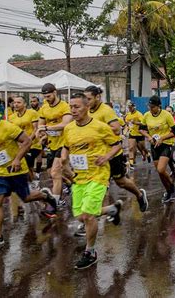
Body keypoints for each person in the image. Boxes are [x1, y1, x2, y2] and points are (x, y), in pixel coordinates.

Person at [0, 103, 57, 248]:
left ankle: (45, 196)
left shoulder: (8, 127)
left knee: (26, 198)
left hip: (16, 170)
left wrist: (18, 159)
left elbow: (27, 141)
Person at [61, 93, 124, 269]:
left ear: (87, 106)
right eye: (71, 107)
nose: (73, 110)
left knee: (88, 215)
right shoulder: (69, 128)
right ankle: (112, 209)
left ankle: (90, 251)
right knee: (81, 216)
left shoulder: (100, 127)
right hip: (79, 177)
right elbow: (66, 147)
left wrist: (106, 157)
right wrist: (64, 160)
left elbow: (117, 143)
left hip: (98, 174)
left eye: (77, 106)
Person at [85, 86, 148, 213]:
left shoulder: (106, 111)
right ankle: (91, 217)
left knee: (121, 182)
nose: (86, 102)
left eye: (89, 99)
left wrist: (96, 129)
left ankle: (140, 195)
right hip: (96, 155)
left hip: (112, 153)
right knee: (96, 186)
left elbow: (116, 128)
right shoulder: (87, 110)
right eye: (84, 99)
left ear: (98, 97)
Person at [36, 83, 73, 206]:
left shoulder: (64, 106)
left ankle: (56, 201)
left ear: (55, 92)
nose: (47, 99)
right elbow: (40, 126)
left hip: (65, 142)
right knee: (53, 172)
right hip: (52, 144)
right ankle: (74, 183)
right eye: (45, 97)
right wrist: (43, 135)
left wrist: (47, 127)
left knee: (55, 172)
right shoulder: (44, 108)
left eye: (49, 96)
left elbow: (65, 124)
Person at [139, 95, 175, 203]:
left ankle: (172, 186)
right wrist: (148, 137)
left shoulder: (166, 115)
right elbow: (141, 129)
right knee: (160, 173)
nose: (150, 108)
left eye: (153, 107)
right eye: (149, 106)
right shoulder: (147, 115)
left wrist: (162, 138)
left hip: (166, 143)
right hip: (154, 145)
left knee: (161, 169)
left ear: (159, 106)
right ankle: (168, 191)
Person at [9, 96, 42, 182]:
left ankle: (33, 182)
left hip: (33, 145)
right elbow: (11, 131)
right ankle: (34, 182)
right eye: (14, 103)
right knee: (26, 166)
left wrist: (29, 140)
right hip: (19, 146)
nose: (16, 104)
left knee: (27, 164)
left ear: (25, 104)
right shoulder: (11, 117)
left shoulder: (32, 113)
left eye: (19, 102)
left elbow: (36, 128)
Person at [125, 100, 151, 168]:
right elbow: (127, 123)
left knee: (142, 148)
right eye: (129, 107)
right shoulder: (128, 115)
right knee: (131, 148)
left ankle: (147, 153)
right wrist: (126, 129)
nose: (130, 109)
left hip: (139, 134)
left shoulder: (139, 114)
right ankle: (131, 164)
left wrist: (135, 123)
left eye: (131, 107)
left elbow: (143, 123)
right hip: (132, 134)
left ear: (134, 107)